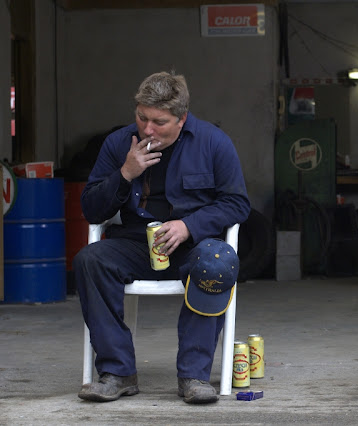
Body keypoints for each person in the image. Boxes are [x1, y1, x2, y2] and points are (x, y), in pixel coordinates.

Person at [74, 71, 250, 404]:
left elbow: (237, 203)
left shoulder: (213, 142)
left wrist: (189, 226)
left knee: (217, 262)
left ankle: (194, 376)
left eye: (159, 122)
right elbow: (91, 209)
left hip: (191, 247)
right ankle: (117, 373)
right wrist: (125, 173)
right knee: (90, 260)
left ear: (182, 118)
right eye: (142, 117)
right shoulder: (118, 143)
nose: (147, 129)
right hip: (135, 244)